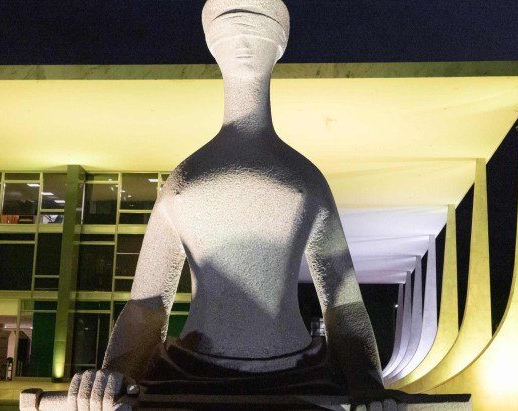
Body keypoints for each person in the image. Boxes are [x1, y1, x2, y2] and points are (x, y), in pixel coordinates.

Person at [67, 1, 388, 409]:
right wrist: (115, 374)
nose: (243, 40)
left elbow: (343, 304)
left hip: (299, 381)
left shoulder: (306, 181)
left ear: (280, 42)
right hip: (188, 379)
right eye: (231, 27)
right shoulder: (184, 181)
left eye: (256, 25)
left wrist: (366, 383)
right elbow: (147, 306)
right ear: (211, 44)